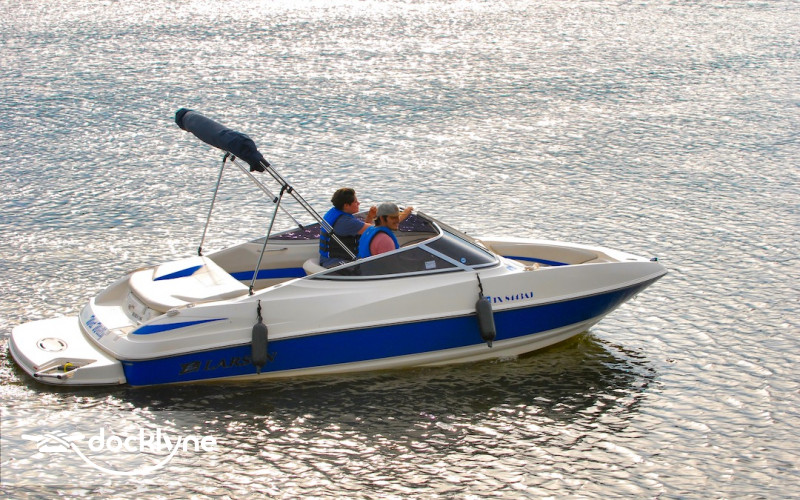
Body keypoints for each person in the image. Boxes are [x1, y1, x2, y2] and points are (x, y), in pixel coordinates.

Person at [319, 187, 377, 267]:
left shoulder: (334, 212)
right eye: (355, 202)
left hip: (327, 259)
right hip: (334, 262)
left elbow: (364, 229)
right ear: (346, 205)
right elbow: (375, 230)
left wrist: (370, 217)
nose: (359, 203)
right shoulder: (345, 222)